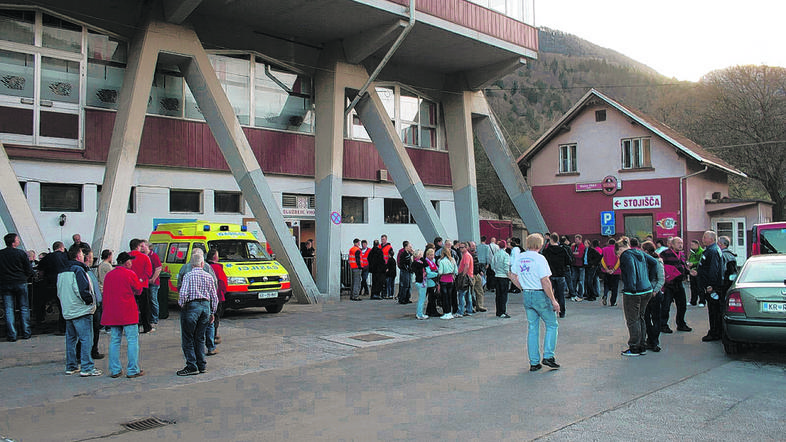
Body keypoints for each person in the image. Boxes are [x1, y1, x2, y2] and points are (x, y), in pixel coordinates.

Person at [509, 233, 560, 372]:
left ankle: (534, 361)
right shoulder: (540, 259)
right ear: (540, 244)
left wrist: (522, 286)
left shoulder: (520, 257)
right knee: (551, 324)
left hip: (527, 294)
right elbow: (545, 281)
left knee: (532, 328)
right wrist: (553, 300)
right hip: (539, 294)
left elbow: (512, 275)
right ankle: (549, 355)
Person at [57, 244, 101, 376]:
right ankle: (87, 367)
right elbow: (83, 290)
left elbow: (59, 291)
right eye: (82, 254)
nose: (84, 256)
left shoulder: (62, 271)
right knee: (86, 338)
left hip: (68, 309)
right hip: (81, 310)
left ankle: (71, 366)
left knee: (70, 339)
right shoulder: (78, 270)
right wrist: (90, 301)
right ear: (78, 256)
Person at [101, 252, 144, 378]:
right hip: (128, 312)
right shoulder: (130, 274)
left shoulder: (109, 275)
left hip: (113, 313)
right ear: (126, 262)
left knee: (114, 341)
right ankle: (132, 369)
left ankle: (115, 369)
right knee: (132, 341)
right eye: (130, 261)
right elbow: (139, 290)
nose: (131, 263)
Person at [177, 252, 218, 376]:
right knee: (200, 337)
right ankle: (202, 365)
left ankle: (191, 365)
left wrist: (181, 304)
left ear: (191, 263)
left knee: (188, 338)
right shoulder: (208, 276)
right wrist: (212, 312)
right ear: (202, 263)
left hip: (192, 307)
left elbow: (183, 294)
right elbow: (214, 297)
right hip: (205, 307)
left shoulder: (188, 276)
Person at [616, 237, 658, 356]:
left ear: (620, 249)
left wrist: (632, 286)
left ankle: (634, 346)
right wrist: (649, 279)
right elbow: (654, 262)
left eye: (617, 253)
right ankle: (642, 345)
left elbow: (631, 270)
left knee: (632, 319)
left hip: (633, 292)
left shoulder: (625, 255)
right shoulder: (640, 252)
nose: (618, 256)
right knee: (641, 317)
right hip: (647, 289)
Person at [691, 231, 724, 342]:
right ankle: (715, 330)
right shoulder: (709, 250)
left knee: (714, 311)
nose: (703, 239)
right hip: (707, 284)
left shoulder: (713, 251)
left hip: (712, 287)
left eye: (705, 237)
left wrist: (711, 285)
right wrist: (698, 273)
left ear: (712, 239)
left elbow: (714, 269)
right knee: (712, 310)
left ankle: (715, 332)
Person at [0, 233, 33, 341]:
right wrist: (26, 276)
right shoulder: (21, 253)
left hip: (5, 283)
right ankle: (26, 332)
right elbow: (28, 269)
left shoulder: (1, 254)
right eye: (17, 239)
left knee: (9, 309)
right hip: (20, 281)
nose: (18, 241)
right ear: (13, 242)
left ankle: (12, 334)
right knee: (24, 307)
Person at [659, 237, 692, 333]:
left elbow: (683, 266)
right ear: (672, 245)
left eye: (681, 243)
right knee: (666, 306)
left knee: (682, 305)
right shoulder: (665, 254)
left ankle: (681, 324)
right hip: (669, 284)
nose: (680, 245)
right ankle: (663, 325)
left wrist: (688, 271)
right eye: (678, 243)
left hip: (679, 283)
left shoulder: (681, 254)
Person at [80, 244, 105, 360]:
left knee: (95, 330)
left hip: (96, 303)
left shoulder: (88, 270)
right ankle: (88, 353)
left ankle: (93, 349)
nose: (92, 259)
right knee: (89, 331)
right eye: (91, 257)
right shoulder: (83, 271)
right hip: (91, 305)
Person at [641, 241, 665, 353]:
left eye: (642, 249)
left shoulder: (657, 262)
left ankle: (654, 341)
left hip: (654, 294)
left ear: (646, 251)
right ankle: (650, 340)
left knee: (655, 318)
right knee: (646, 318)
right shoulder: (643, 261)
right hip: (645, 293)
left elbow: (661, 279)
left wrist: (655, 291)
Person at [543, 233, 571, 318]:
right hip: (560, 274)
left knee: (551, 294)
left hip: (550, 274)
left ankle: (552, 310)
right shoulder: (563, 250)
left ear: (551, 240)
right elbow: (569, 261)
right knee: (561, 294)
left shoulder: (547, 251)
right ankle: (562, 311)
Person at [128, 239, 153, 333]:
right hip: (143, 286)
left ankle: (133, 326)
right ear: (138, 246)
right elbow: (149, 272)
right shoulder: (145, 258)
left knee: (132, 308)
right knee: (145, 307)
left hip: (129, 286)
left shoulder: (127, 256)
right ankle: (146, 326)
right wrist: (141, 279)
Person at [490, 240, 511, 318]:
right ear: (505, 246)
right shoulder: (506, 255)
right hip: (504, 277)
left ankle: (498, 311)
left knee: (498, 295)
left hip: (497, 276)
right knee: (503, 295)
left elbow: (492, 265)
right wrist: (508, 274)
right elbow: (506, 266)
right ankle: (503, 311)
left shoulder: (496, 254)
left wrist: (496, 271)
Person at [437, 246, 457, 320]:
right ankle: (450, 312)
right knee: (450, 296)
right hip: (450, 279)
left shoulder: (441, 261)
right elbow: (456, 271)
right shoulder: (453, 260)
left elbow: (440, 272)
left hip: (443, 280)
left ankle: (446, 312)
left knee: (444, 297)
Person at [600, 238, 621, 306]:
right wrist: (614, 269)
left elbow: (602, 259)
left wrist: (606, 269)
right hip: (616, 271)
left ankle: (605, 295)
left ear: (608, 243)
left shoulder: (604, 249)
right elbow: (618, 261)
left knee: (606, 285)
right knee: (615, 287)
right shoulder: (617, 250)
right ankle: (613, 301)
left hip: (606, 270)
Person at [456, 243, 474, 316]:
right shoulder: (467, 255)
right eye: (460, 247)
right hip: (469, 276)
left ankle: (461, 311)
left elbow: (466, 266)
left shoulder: (466, 255)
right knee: (467, 294)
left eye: (462, 247)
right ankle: (469, 310)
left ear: (466, 247)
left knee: (461, 294)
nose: (461, 249)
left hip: (466, 276)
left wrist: (463, 275)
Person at [468, 241, 487, 312]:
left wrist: (480, 271)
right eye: (473, 246)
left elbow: (477, 263)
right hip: (471, 275)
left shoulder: (475, 254)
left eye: (475, 246)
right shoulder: (467, 254)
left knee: (480, 291)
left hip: (476, 274)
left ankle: (480, 305)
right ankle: (472, 306)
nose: (474, 247)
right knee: (471, 292)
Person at [410, 249, 428, 319]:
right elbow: (418, 271)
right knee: (421, 299)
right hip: (420, 281)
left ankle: (420, 313)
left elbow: (426, 264)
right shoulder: (415, 263)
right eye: (420, 254)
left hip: (421, 281)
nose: (421, 256)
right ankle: (419, 314)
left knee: (422, 299)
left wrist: (422, 259)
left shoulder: (420, 262)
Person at [147, 245, 163, 327]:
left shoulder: (154, 256)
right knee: (149, 300)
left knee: (153, 300)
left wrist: (153, 279)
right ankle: (150, 317)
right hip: (146, 282)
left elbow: (159, 268)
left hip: (153, 282)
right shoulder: (146, 256)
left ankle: (154, 318)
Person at [423, 248, 441, 318]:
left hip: (433, 282)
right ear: (427, 255)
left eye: (433, 255)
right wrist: (436, 274)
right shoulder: (427, 262)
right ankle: (433, 311)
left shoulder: (432, 261)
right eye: (430, 255)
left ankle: (429, 311)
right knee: (432, 298)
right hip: (430, 282)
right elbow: (428, 273)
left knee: (432, 298)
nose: (432, 256)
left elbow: (436, 268)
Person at [687, 240, 705, 306]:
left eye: (693, 245)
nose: (691, 246)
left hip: (698, 272)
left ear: (697, 245)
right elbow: (690, 259)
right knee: (693, 287)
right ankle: (693, 301)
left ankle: (702, 301)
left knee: (700, 287)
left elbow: (700, 262)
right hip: (692, 271)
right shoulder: (692, 252)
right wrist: (688, 264)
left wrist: (693, 264)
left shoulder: (701, 252)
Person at [571, 234, 586, 301]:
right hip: (574, 265)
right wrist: (575, 253)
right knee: (574, 279)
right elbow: (571, 253)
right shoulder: (574, 246)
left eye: (577, 240)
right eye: (575, 240)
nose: (576, 241)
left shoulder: (582, 246)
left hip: (581, 265)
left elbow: (580, 255)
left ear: (580, 239)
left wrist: (574, 254)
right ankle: (573, 293)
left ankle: (580, 294)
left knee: (581, 281)